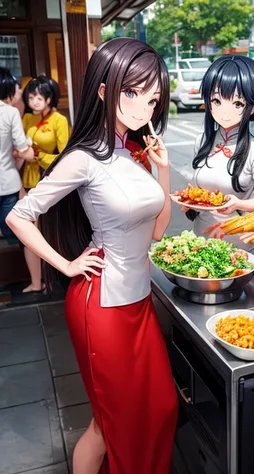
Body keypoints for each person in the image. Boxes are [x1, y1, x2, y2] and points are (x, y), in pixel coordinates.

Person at [6, 38, 178, 473]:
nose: (143, 108)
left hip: (138, 301)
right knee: (108, 425)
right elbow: (20, 216)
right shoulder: (85, 158)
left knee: (160, 408)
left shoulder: (134, 153)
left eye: (153, 98)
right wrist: (65, 265)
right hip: (100, 305)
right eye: (132, 93)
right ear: (104, 90)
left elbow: (158, 231)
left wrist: (163, 169)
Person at [187, 55, 254, 256]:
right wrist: (190, 202)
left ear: (252, 108)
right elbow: (199, 191)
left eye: (238, 103)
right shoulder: (202, 141)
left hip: (239, 246)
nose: (224, 110)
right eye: (216, 100)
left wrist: (238, 205)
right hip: (201, 240)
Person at [19, 76, 70, 293]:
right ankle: (39, 280)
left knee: (53, 230)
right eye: (31, 97)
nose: (34, 102)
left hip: (52, 180)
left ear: (50, 99)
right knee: (32, 231)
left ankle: (58, 277)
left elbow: (65, 156)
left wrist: (39, 156)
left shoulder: (59, 120)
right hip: (30, 179)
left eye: (39, 97)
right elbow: (20, 146)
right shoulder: (27, 119)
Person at [0, 67, 33, 246]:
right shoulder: (10, 112)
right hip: (6, 182)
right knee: (12, 232)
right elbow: (23, 148)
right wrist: (28, 143)